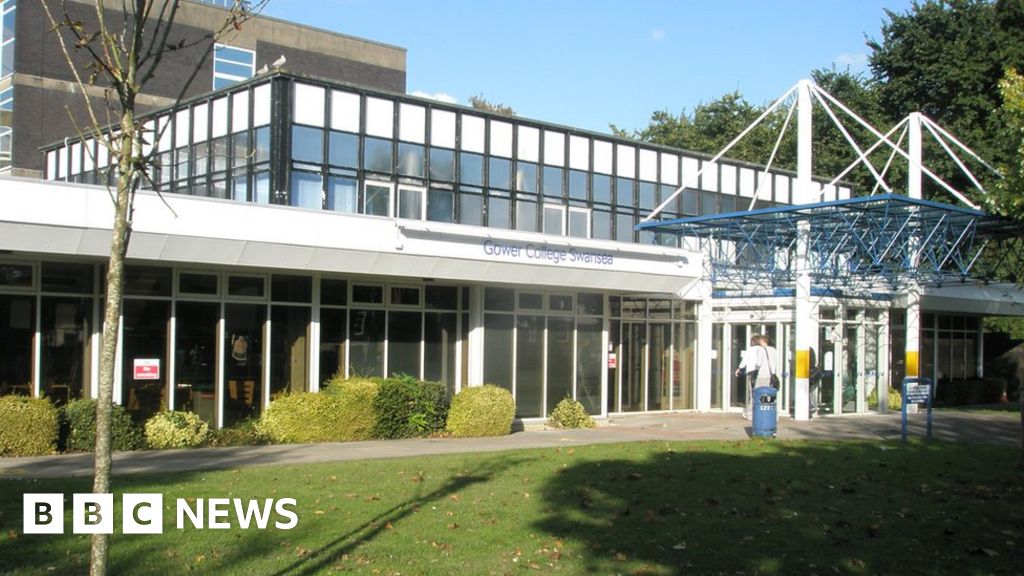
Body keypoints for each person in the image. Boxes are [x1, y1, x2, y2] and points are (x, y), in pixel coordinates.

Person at [735, 335, 764, 419]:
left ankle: (750, 414)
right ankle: (760, 412)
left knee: (752, 393)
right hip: (762, 373)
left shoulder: (751, 349)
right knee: (761, 392)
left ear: (753, 342)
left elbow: (745, 360)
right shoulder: (763, 349)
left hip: (752, 372)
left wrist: (739, 369)